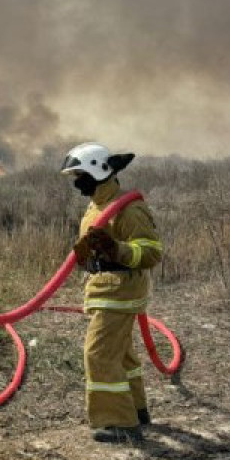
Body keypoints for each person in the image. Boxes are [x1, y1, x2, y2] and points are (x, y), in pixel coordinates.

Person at [61, 142, 164, 443]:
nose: (76, 181)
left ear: (98, 170)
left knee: (100, 355)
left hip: (120, 292)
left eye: (80, 174)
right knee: (121, 354)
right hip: (105, 290)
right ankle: (136, 410)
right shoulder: (97, 205)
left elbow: (151, 252)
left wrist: (116, 249)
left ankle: (118, 422)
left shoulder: (128, 207)